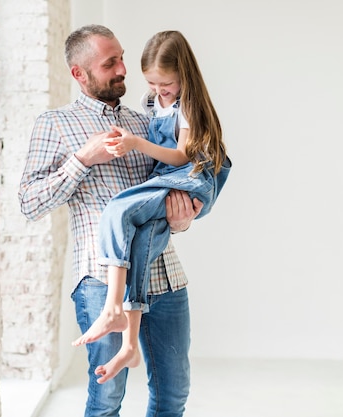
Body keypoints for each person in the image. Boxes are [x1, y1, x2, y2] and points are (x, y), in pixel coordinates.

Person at [19, 25, 200, 417]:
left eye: (121, 57)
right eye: (109, 63)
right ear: (79, 74)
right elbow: (29, 203)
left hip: (164, 274)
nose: (122, 69)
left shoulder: (146, 122)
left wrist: (182, 220)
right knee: (106, 398)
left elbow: (165, 192)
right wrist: (82, 159)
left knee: (174, 394)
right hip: (101, 282)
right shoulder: (54, 125)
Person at [71, 30, 232, 384]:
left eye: (167, 84)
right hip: (166, 180)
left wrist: (136, 144)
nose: (161, 91)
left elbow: (181, 155)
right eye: (154, 84)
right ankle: (129, 343)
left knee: (117, 210)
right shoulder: (150, 102)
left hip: (187, 177)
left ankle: (114, 307)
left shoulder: (186, 104)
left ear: (184, 76)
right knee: (141, 243)